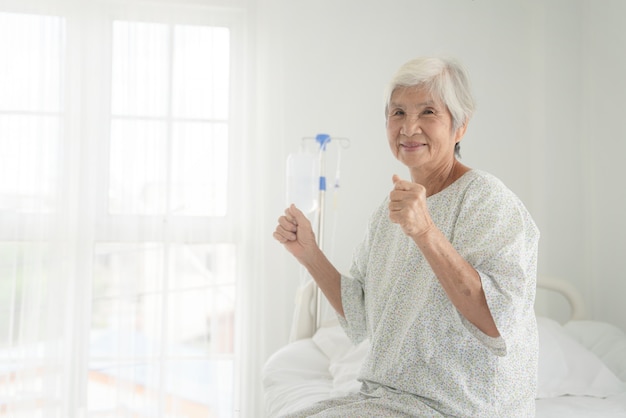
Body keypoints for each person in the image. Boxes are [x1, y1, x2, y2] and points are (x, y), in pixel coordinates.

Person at [273, 56, 539, 417]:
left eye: (428, 112)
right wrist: (309, 254)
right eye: (398, 113)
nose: (409, 127)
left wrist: (425, 232)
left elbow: (496, 322)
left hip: (462, 405)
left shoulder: (486, 199)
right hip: (393, 398)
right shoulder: (388, 212)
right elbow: (362, 317)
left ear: (459, 126)